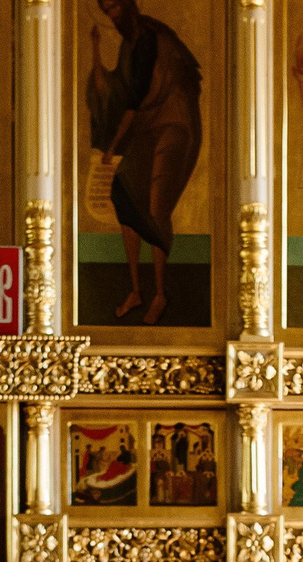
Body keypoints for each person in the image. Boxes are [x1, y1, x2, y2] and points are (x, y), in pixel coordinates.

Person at [83, 0, 203, 326]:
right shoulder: (129, 45)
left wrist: (110, 146)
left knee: (156, 205)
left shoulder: (149, 37)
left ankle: (161, 294)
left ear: (128, 6)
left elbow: (134, 101)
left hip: (176, 122)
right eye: (106, 11)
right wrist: (95, 52)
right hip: (149, 124)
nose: (112, 16)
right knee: (123, 193)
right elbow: (116, 92)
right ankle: (136, 290)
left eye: (115, 8)